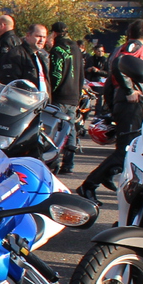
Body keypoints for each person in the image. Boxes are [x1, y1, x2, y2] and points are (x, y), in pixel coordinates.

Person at [79, 20, 143, 200]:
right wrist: (129, 91)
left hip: (132, 102)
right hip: (131, 103)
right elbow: (119, 64)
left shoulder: (126, 48)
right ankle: (89, 184)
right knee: (127, 149)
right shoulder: (134, 47)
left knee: (134, 148)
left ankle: (107, 174)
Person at [47, 22, 85, 172]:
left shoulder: (57, 49)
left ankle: (54, 162)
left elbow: (56, 74)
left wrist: (51, 92)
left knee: (56, 129)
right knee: (71, 129)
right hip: (74, 94)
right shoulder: (76, 48)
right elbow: (81, 73)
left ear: (54, 33)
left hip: (60, 95)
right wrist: (79, 92)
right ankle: (69, 163)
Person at [0, 14, 18, 79]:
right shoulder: (18, 40)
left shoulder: (5, 41)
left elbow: (6, 63)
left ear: (2, 25)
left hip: (3, 79)